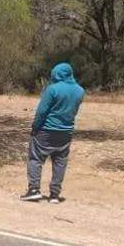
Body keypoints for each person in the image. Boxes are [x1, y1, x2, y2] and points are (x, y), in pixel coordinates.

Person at [22, 62, 85, 204]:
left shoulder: (52, 89)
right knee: (60, 162)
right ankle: (55, 194)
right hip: (66, 132)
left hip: (46, 130)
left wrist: (35, 127)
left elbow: (41, 111)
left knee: (36, 158)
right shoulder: (80, 91)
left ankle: (34, 190)